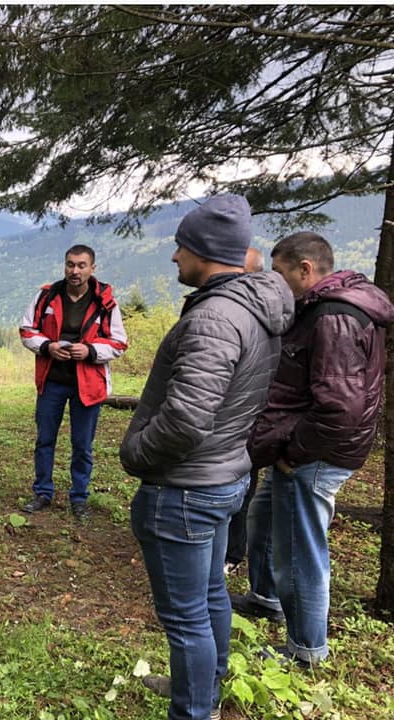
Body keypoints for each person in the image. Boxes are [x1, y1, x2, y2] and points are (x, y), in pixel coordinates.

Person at [119, 195, 294, 720]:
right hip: (224, 475)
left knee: (185, 615)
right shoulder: (252, 306)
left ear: (205, 251)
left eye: (182, 246)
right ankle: (205, 687)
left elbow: (187, 418)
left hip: (186, 488)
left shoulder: (216, 316)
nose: (174, 257)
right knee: (211, 593)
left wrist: (137, 454)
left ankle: (194, 710)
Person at [232, 232, 394, 666]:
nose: (276, 281)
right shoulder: (324, 309)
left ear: (305, 270)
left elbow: (339, 406)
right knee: (263, 514)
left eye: (281, 273)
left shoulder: (332, 317)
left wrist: (294, 453)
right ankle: (265, 596)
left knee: (299, 549)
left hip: (315, 454)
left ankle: (304, 650)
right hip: (305, 446)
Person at [19, 244, 128, 517]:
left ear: (93, 268)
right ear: (64, 266)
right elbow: (26, 330)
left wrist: (90, 351)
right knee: (45, 440)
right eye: (70, 264)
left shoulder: (105, 302)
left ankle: (79, 498)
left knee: (82, 444)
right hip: (52, 380)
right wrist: (48, 347)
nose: (75, 271)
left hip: (88, 383)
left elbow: (119, 343)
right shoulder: (47, 295)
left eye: (81, 265)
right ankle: (42, 493)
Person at [223, 246, 266, 574]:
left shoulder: (264, 314)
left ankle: (232, 554)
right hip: (226, 415)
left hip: (248, 418)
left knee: (242, 484)